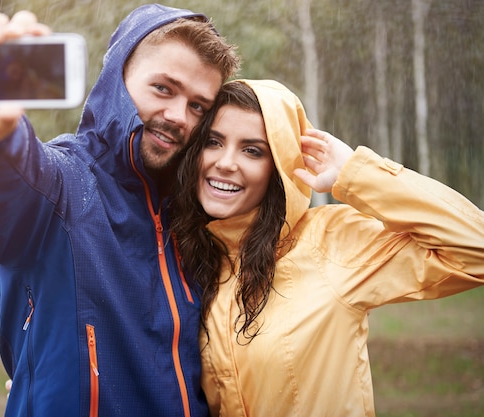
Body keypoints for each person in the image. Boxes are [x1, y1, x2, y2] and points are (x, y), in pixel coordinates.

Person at [0, 4, 239, 417]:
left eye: (198, 106)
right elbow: (6, 174)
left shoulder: (198, 217)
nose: (179, 117)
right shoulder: (64, 185)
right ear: (117, 79)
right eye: (163, 89)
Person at [170, 79, 484, 416]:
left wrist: (358, 175)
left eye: (252, 150)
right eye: (214, 142)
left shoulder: (331, 242)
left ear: (279, 167)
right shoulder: (187, 260)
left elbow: (475, 249)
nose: (226, 162)